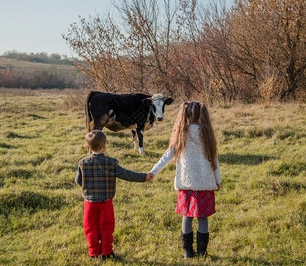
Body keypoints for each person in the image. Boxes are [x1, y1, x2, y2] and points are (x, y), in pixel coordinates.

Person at [149, 101, 221, 259]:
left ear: (185, 115)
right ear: (202, 115)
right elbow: (215, 161)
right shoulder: (207, 135)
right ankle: (202, 252)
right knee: (203, 218)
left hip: (186, 184)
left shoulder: (181, 135)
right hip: (205, 184)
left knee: (186, 216)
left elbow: (166, 157)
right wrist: (218, 180)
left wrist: (153, 172)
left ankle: (187, 253)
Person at [75, 129, 154, 260]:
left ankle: (94, 253)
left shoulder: (82, 163)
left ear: (88, 147)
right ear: (104, 145)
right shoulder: (111, 163)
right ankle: (107, 252)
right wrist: (144, 177)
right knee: (107, 227)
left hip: (89, 203)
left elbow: (78, 181)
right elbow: (126, 174)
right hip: (106, 202)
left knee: (90, 228)